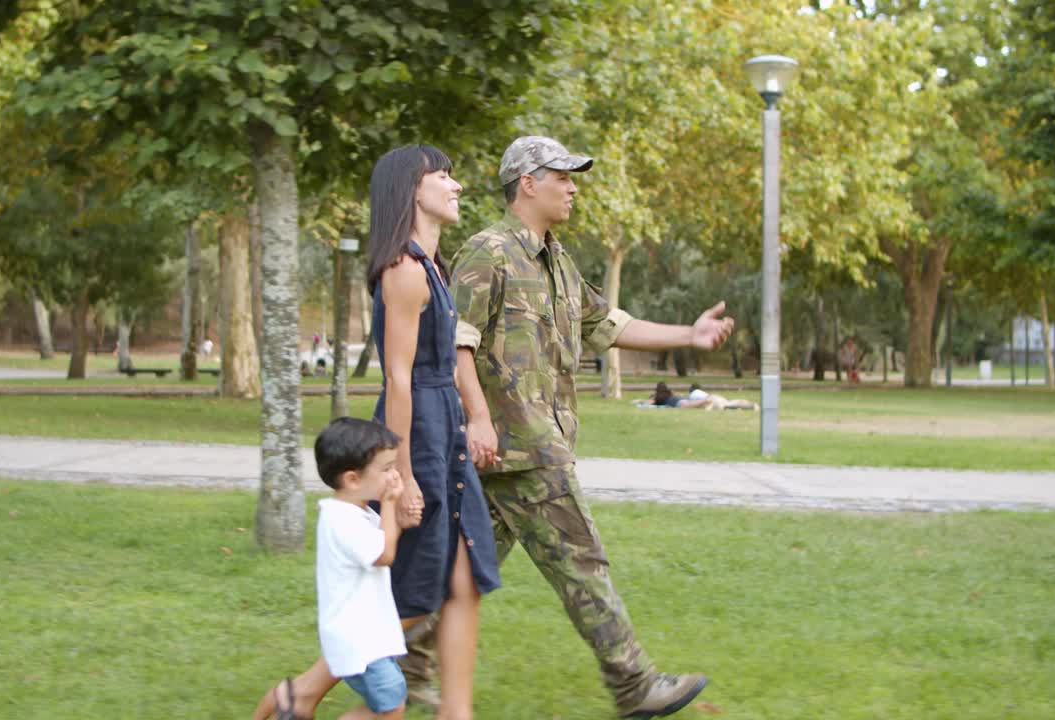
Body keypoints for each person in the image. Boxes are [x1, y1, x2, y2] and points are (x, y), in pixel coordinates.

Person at [402, 136, 734, 719]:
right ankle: (635, 686)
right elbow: (457, 344)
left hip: (521, 451)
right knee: (583, 563)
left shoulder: (557, 259)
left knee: (456, 575)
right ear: (528, 183)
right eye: (563, 176)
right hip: (515, 447)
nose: (573, 186)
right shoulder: (489, 252)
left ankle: (394, 673)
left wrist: (690, 335)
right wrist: (478, 419)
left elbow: (608, 324)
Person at [257, 145, 501, 720]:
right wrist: (400, 475)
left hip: (444, 430)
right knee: (416, 586)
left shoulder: (431, 268)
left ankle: (455, 713)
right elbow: (398, 379)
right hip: (416, 433)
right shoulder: (406, 271)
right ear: (412, 190)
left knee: (464, 574)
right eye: (444, 175)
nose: (456, 185)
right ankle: (306, 691)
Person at [253, 418, 407, 720]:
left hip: (366, 636)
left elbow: (382, 541)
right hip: (359, 639)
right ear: (352, 479)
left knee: (391, 705)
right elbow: (385, 554)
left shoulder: (352, 512)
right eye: (387, 469)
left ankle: (286, 700)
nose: (394, 475)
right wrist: (390, 506)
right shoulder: (344, 521)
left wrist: (400, 520)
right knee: (391, 707)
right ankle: (288, 699)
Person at [640, 382, 759, 411]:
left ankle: (707, 401)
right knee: (728, 403)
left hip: (678, 404)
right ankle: (751, 405)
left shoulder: (657, 398)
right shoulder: (670, 394)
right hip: (682, 400)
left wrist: (641, 403)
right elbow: (681, 396)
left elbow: (647, 405)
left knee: (691, 405)